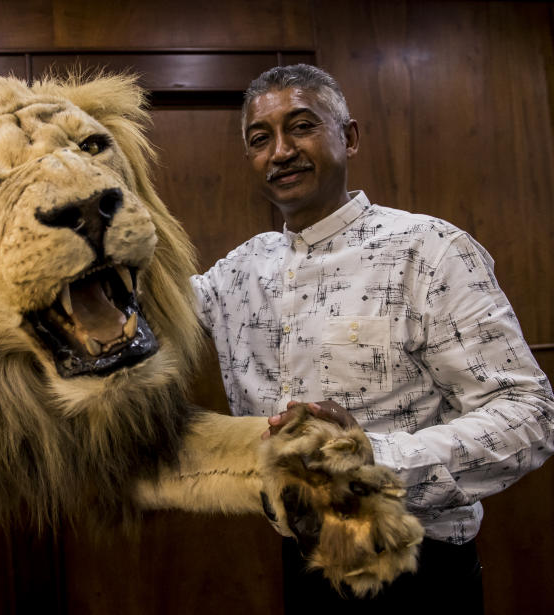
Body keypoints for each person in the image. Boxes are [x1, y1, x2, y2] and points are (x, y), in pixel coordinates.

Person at [190, 64, 554, 613]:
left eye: (303, 126)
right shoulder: (240, 270)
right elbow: (146, 311)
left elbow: (528, 413)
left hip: (418, 573)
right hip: (303, 564)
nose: (281, 151)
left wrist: (367, 460)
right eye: (260, 139)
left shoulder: (429, 251)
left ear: (350, 137)